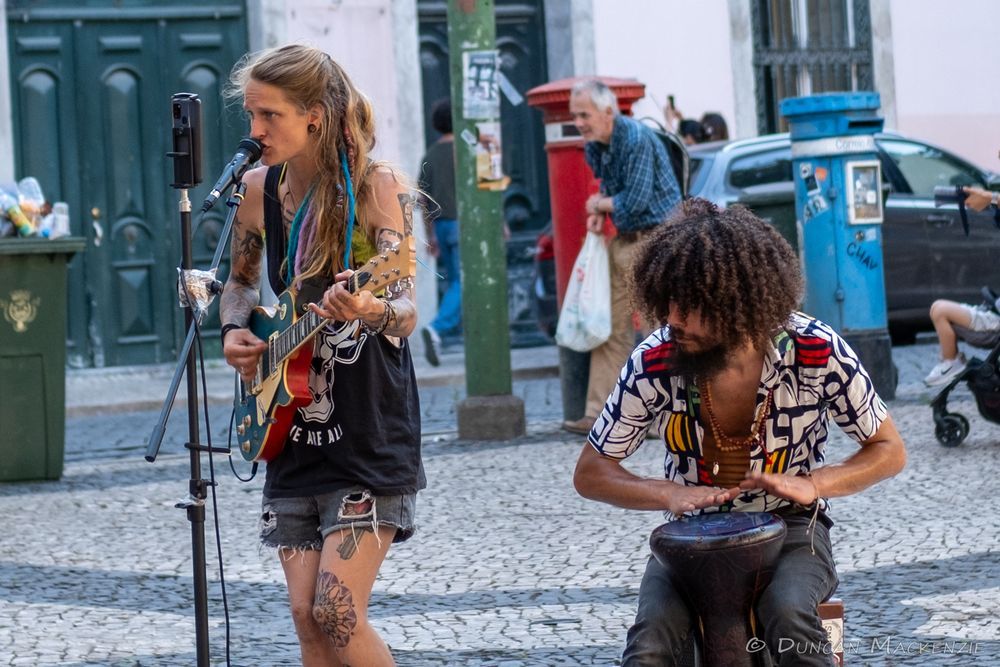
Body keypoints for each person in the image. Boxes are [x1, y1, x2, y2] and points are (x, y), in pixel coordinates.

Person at [573, 199, 906, 666]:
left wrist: (811, 485)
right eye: (667, 301)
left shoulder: (814, 350)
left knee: (789, 615)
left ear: (736, 304)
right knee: (651, 640)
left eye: (689, 306)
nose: (672, 319)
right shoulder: (656, 360)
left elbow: (889, 449)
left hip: (791, 527)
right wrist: (665, 492)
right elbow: (591, 472)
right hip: (692, 535)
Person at [219, 44, 424, 666]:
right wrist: (233, 332)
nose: (254, 132)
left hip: (367, 428)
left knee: (339, 613)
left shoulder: (375, 187)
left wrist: (368, 310)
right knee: (308, 622)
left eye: (268, 116)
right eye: (250, 115)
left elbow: (407, 309)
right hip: (290, 430)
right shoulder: (256, 189)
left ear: (313, 114)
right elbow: (239, 284)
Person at [563, 78, 682, 435]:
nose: (579, 123)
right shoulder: (595, 147)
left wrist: (601, 204)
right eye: (574, 116)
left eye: (584, 115)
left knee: (656, 329)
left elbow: (637, 202)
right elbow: (614, 193)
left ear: (608, 112)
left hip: (656, 240)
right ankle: (600, 412)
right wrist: (602, 207)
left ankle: (665, 417)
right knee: (609, 326)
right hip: (624, 241)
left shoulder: (636, 139)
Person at [418, 98, 460, 367]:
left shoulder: (430, 156)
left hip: (441, 226)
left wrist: (430, 235)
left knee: (456, 279)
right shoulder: (465, 151)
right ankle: (437, 328)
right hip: (463, 226)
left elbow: (422, 200)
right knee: (464, 283)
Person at [923, 297, 1000, 386]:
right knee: (936, 306)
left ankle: (951, 362)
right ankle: (948, 361)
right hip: (990, 314)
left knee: (940, 312)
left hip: (993, 323)